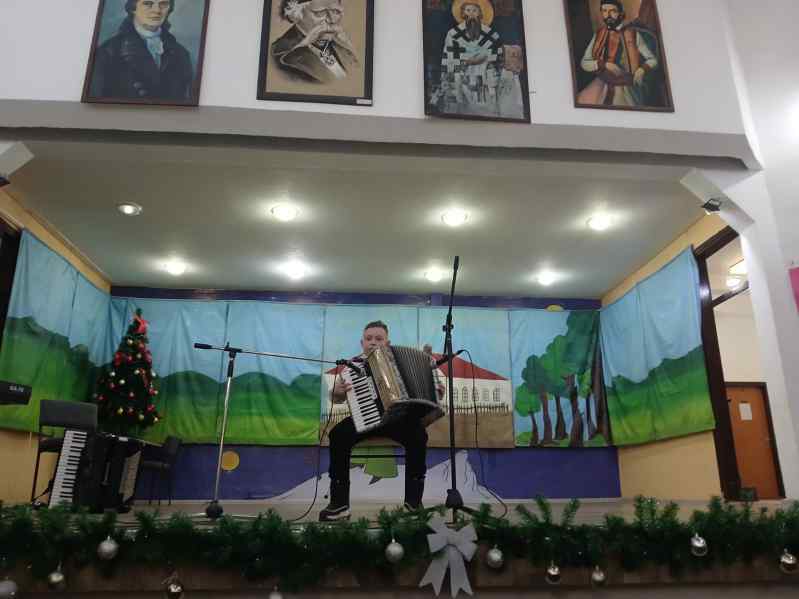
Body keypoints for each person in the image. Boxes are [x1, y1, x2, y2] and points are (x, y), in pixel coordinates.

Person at [319, 321, 443, 522]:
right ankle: (339, 504)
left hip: (397, 420)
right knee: (338, 434)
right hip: (365, 418)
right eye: (368, 339)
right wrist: (337, 392)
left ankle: (413, 504)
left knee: (418, 435)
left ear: (387, 343)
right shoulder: (353, 366)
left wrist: (436, 391)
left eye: (379, 338)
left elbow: (430, 392)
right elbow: (337, 398)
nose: (373, 342)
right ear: (362, 343)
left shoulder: (397, 362)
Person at [88, 0, 194, 102]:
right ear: (133, 8)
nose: (157, 10)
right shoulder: (109, 52)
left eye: (163, 4)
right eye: (148, 3)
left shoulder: (181, 54)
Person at [578, 0, 660, 107]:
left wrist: (642, 69)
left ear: (621, 14)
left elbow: (653, 60)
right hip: (602, 83)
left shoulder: (633, 34)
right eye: (604, 11)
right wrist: (605, 65)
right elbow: (584, 63)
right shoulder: (598, 34)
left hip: (626, 87)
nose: (608, 15)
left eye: (612, 11)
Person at [271, 0, 358, 84]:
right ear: (294, 15)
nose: (332, 20)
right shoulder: (277, 55)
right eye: (320, 13)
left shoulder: (345, 49)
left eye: (335, 11)